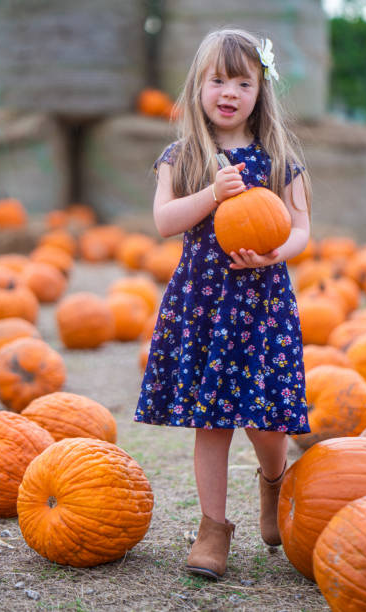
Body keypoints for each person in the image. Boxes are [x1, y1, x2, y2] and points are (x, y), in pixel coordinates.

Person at [134, 28, 312, 579]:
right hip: (205, 306)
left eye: (243, 80)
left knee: (266, 422)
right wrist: (213, 193)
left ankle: (274, 484)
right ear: (197, 87)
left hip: (262, 306)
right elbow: (164, 223)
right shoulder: (183, 155)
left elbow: (303, 227)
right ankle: (213, 528)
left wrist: (277, 252)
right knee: (209, 423)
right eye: (218, 80)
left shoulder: (279, 158)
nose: (229, 91)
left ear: (261, 90)